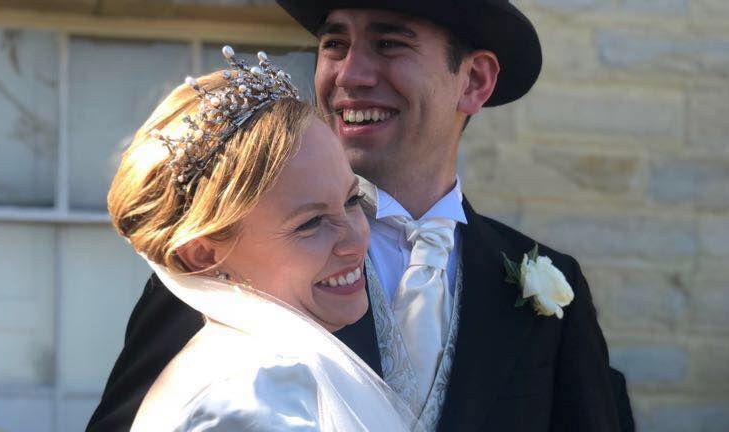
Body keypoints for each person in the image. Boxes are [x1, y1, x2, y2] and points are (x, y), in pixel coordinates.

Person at [88, 1, 634, 431]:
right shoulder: (229, 262)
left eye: (389, 44)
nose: (350, 73)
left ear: (474, 82)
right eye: (334, 44)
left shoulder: (551, 288)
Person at [106, 49, 419, 430]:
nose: (356, 240)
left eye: (353, 200)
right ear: (203, 253)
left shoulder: (271, 368)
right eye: (312, 222)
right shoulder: (256, 395)